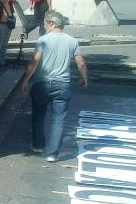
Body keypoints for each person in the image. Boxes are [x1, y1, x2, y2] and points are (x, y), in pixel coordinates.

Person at [20, 10, 88, 163]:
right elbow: (81, 62)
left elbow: (35, 62)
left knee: (38, 115)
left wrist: (25, 80)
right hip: (62, 84)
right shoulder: (72, 41)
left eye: (45, 23)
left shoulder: (43, 40)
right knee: (58, 119)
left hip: (41, 83)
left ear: (51, 23)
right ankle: (52, 153)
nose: (44, 25)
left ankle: (38, 145)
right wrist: (84, 77)